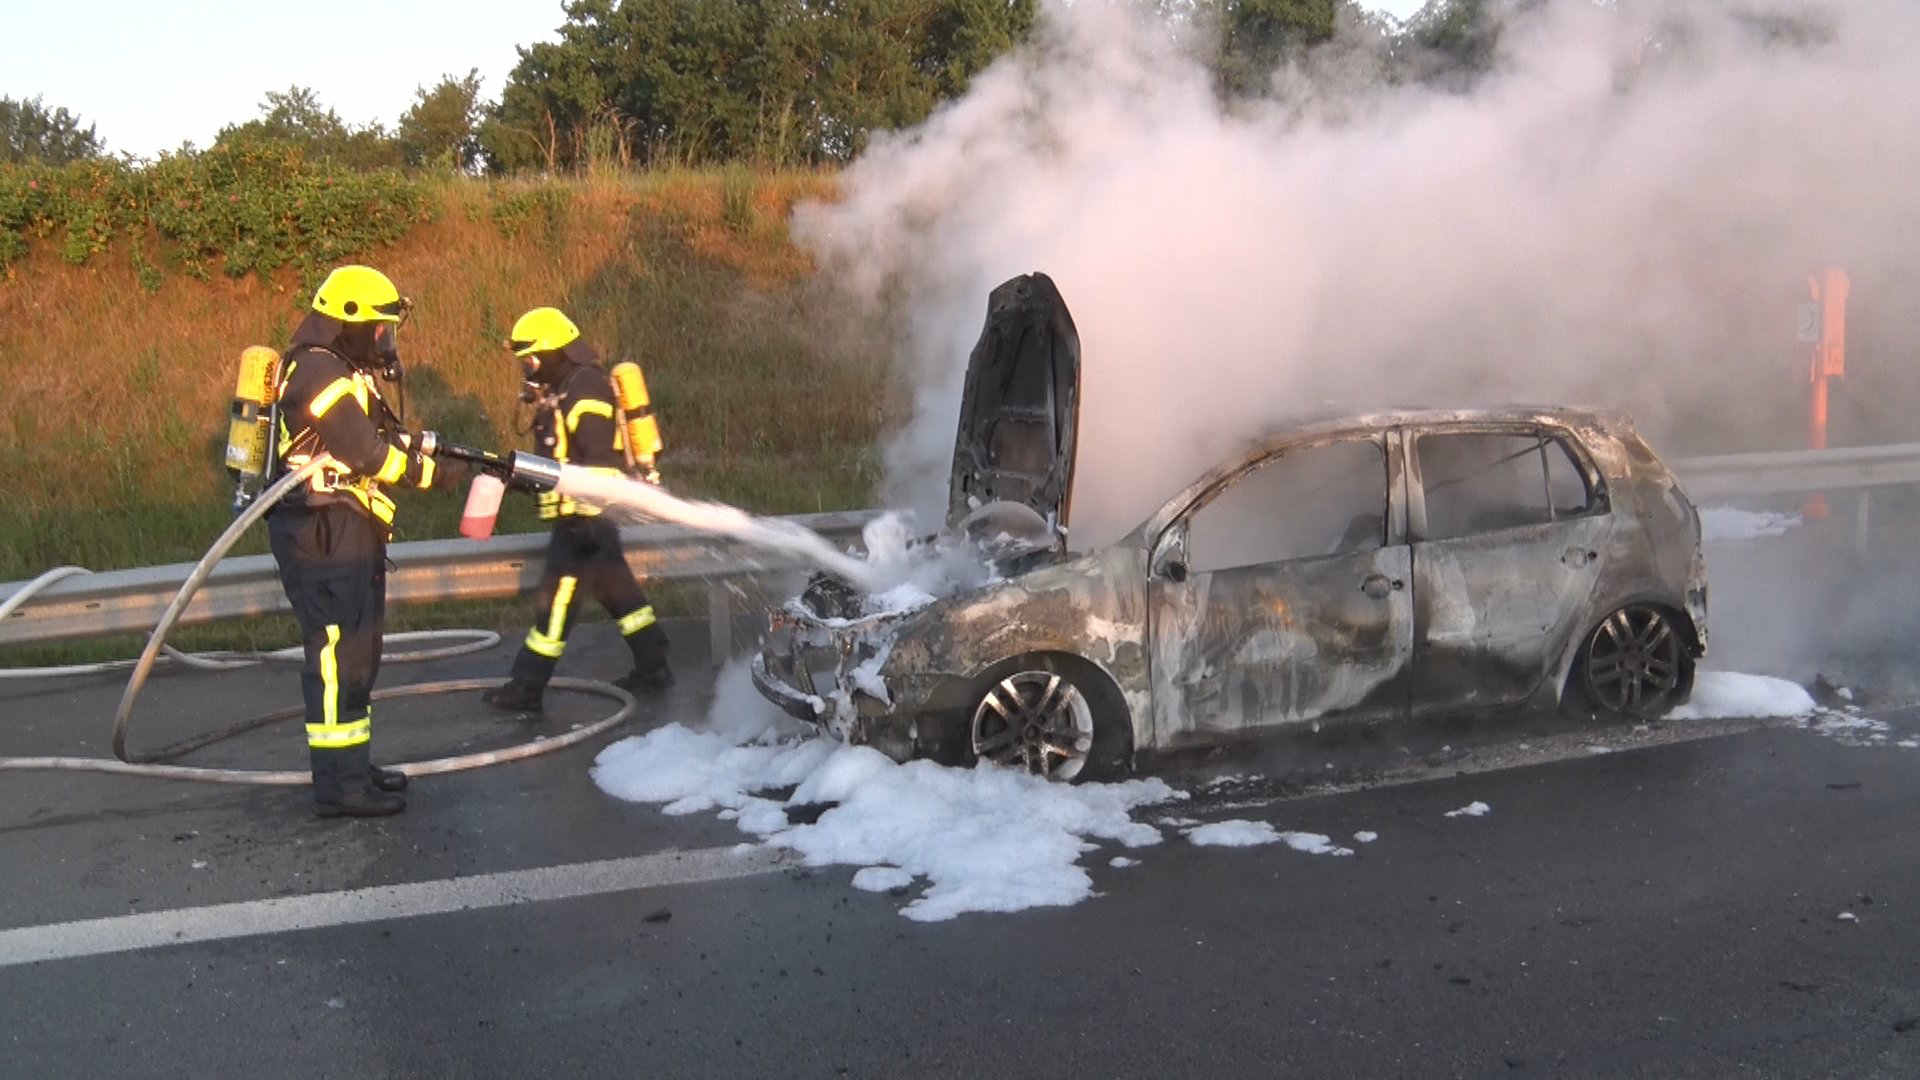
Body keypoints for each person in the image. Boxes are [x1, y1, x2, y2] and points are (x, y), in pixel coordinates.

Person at [267, 264, 451, 818]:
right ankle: (338, 788)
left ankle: (355, 768)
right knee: (335, 659)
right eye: (379, 328)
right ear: (348, 322)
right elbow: (367, 454)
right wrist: (429, 475)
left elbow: (383, 435)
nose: (385, 340)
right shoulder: (319, 374)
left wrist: (440, 452)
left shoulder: (341, 370)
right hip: (320, 533)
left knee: (360, 654)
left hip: (345, 527)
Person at [482, 306, 673, 715]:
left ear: (552, 353)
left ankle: (527, 687)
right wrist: (513, 476)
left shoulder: (586, 389)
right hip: (584, 520)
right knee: (621, 596)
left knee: (555, 607)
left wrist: (585, 517)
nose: (526, 368)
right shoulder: (564, 390)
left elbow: (599, 457)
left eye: (530, 358)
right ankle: (654, 664)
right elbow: (558, 463)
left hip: (584, 522)